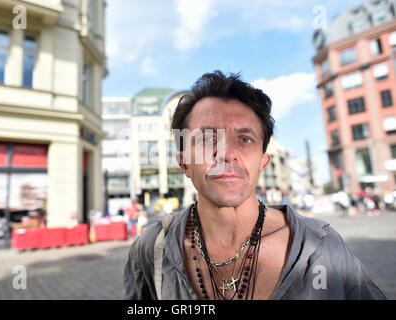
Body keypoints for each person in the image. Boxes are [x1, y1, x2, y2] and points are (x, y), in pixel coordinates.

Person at [123, 71, 386, 300]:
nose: (226, 153)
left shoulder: (320, 246)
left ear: (263, 162)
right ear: (184, 163)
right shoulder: (152, 248)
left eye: (245, 139)